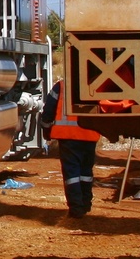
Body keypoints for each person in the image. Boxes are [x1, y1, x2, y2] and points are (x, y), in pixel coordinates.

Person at [40, 78, 101, 218]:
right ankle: (86, 204)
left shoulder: (61, 86)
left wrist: (46, 127)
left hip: (68, 136)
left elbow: (48, 109)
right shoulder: (96, 84)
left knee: (72, 173)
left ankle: (76, 208)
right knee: (86, 172)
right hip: (89, 135)